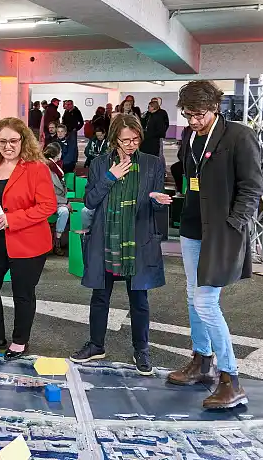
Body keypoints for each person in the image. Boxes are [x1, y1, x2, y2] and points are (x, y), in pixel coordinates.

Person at [166, 80, 262, 410]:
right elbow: (190, 177)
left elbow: (253, 188)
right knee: (193, 297)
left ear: (215, 108)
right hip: (192, 228)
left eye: (199, 114)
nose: (192, 120)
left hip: (222, 232)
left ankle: (231, 380)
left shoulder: (238, 136)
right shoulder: (188, 136)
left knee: (206, 302)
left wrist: (235, 225)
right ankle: (201, 361)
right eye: (187, 114)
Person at [69, 113, 169, 375]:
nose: (131, 144)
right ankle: (96, 345)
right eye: (125, 140)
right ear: (114, 139)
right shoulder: (101, 164)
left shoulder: (152, 163)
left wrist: (158, 200)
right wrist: (110, 177)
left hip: (137, 240)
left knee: (139, 299)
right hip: (106, 238)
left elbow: (155, 200)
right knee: (100, 295)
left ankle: (142, 349)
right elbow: (90, 201)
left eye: (135, 139)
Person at [0, 117, 56, 360]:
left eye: (13, 140)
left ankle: (20, 341)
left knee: (23, 293)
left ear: (23, 141)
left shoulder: (37, 168)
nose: (8, 146)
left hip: (27, 243)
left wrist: (14, 219)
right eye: (3, 141)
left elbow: (48, 206)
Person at [43, 143, 70, 255]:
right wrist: (66, 202)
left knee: (64, 212)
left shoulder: (56, 165)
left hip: (59, 200)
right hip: (49, 200)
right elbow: (49, 192)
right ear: (56, 154)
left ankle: (57, 241)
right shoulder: (47, 168)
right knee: (64, 210)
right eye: (60, 151)